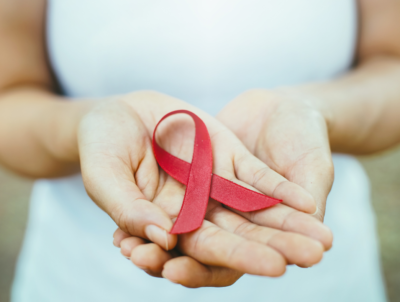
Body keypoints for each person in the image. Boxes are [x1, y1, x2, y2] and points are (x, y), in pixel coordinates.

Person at [0, 0, 397, 301]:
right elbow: (10, 98)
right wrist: (85, 126)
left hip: (320, 275)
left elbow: (391, 66)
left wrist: (316, 112)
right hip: (81, 280)